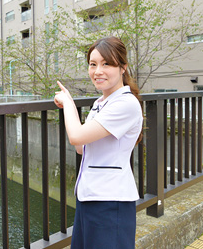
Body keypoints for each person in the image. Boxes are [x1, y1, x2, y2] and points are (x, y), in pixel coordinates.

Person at [54, 36, 143, 249]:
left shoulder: (126, 104)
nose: (98, 71)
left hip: (111, 202)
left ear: (123, 67)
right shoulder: (100, 102)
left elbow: (76, 136)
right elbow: (80, 148)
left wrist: (68, 104)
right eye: (93, 64)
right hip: (90, 197)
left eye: (106, 64)